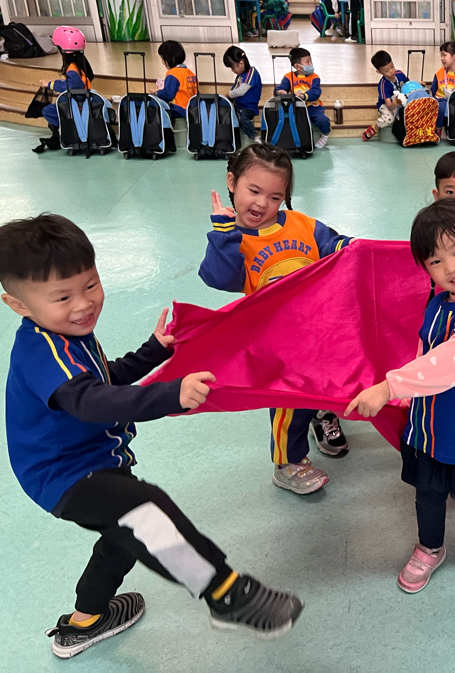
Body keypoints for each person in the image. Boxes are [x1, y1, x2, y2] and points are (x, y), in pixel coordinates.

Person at [0, 214, 303, 659]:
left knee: (123, 536)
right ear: (18, 305)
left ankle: (85, 621)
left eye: (90, 285)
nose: (84, 304)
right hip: (63, 474)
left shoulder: (65, 331)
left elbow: (103, 377)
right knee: (145, 512)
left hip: (89, 462)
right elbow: (90, 401)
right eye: (63, 297)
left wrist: (153, 351)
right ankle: (224, 594)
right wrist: (170, 395)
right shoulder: (42, 350)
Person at [345, 199, 455, 600]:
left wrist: (389, 387)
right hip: (425, 434)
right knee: (427, 498)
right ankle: (430, 547)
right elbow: (425, 351)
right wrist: (407, 396)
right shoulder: (437, 302)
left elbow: (454, 360)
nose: (451, 268)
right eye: (435, 261)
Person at [198, 145, 354, 493]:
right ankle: (288, 463)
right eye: (253, 191)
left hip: (319, 329)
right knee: (288, 401)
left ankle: (321, 412)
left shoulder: (302, 225)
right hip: (277, 343)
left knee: (327, 381)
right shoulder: (234, 239)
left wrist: (353, 247)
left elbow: (335, 246)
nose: (261, 204)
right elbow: (219, 277)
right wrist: (223, 235)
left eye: (274, 197)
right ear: (231, 182)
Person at [33, 26, 95, 153]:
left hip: (77, 104)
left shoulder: (72, 68)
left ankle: (65, 132)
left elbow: (71, 85)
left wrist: (50, 84)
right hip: (84, 100)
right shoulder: (81, 63)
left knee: (47, 111)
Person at [275, 47, 331, 149]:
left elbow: (316, 92)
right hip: (296, 108)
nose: (311, 64)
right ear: (297, 66)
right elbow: (281, 88)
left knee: (322, 120)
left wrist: (304, 96)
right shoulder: (288, 76)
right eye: (307, 62)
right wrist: (280, 91)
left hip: (313, 106)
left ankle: (325, 135)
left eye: (311, 61)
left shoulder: (315, 77)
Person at [363, 49, 408, 140]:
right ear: (379, 72)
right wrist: (395, 103)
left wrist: (417, 84)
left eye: (392, 66)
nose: (391, 71)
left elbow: (408, 85)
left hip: (399, 102)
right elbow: (389, 106)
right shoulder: (383, 85)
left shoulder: (400, 74)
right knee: (389, 119)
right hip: (385, 105)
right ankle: (375, 128)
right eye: (386, 70)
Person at [223, 45, 262, 144]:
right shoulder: (239, 76)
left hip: (248, 108)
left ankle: (255, 136)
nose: (232, 70)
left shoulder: (251, 72)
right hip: (238, 107)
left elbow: (241, 91)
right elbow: (234, 89)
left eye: (233, 67)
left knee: (241, 115)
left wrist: (228, 94)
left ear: (241, 63)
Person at [152, 40, 197, 123]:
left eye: (163, 59)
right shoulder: (190, 73)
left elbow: (168, 95)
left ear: (169, 59)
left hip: (178, 110)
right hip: (192, 110)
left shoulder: (173, 73)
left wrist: (156, 93)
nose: (162, 62)